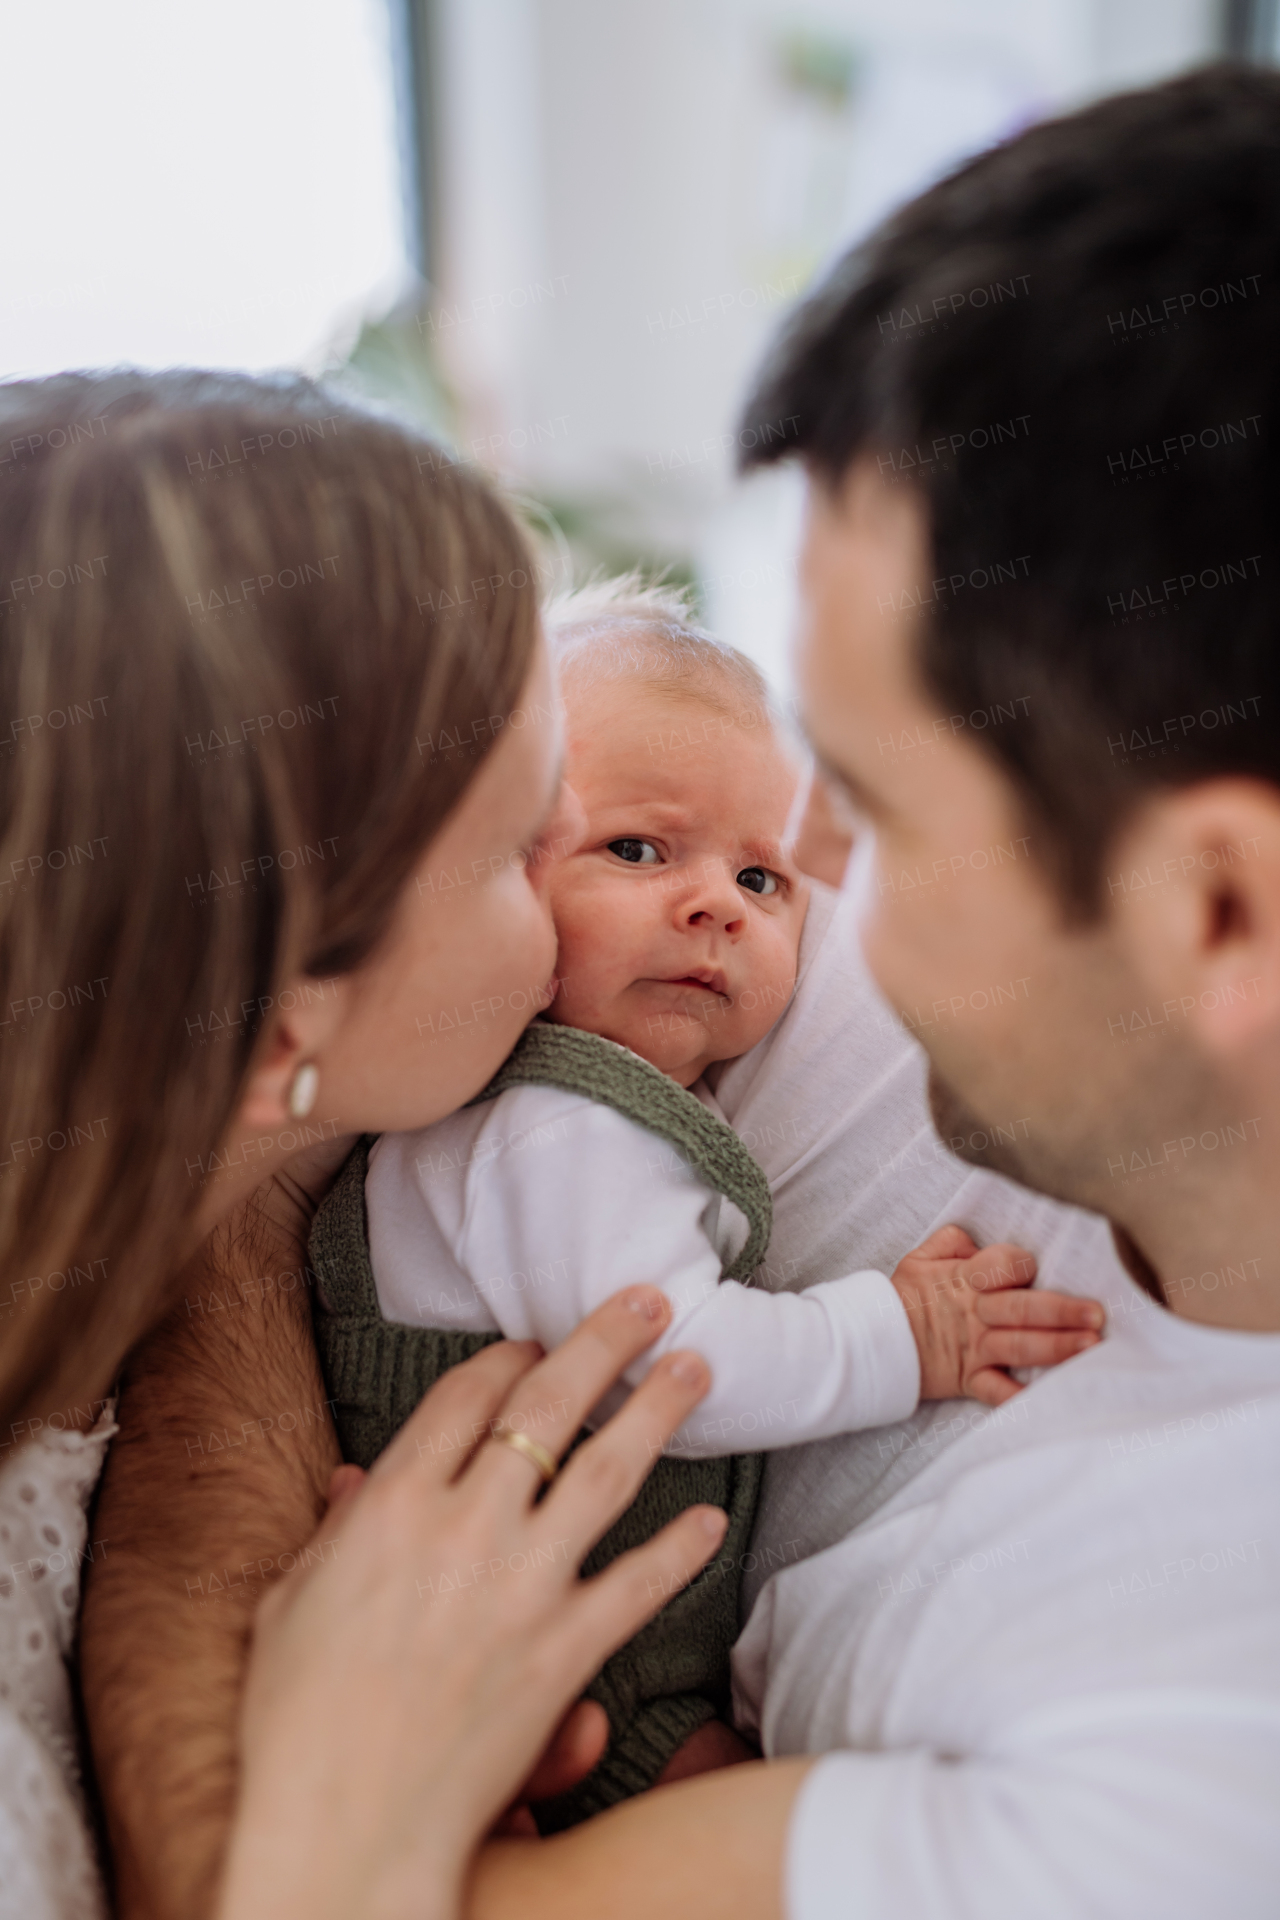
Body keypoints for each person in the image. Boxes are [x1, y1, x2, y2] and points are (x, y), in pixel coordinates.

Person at [82, 60, 1280, 1920]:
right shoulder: (977, 1002)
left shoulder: (1194, 1771)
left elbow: (290, 1882)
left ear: (1217, 916)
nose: (773, 896)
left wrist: (340, 1737)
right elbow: (287, 1135)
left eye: (858, 813)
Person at [0, 368, 738, 1920]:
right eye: (532, 838)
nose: (585, 894)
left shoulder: (162, 1163)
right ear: (279, 1030)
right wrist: (346, 1830)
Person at [328, 584, 1099, 1822]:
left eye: (763, 876)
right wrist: (902, 1338)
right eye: (636, 849)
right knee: (769, 1832)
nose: (715, 905)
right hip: (565, 1669)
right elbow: (669, 1364)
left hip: (596, 1640)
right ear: (499, 873)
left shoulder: (613, 1113)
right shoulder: (552, 1125)